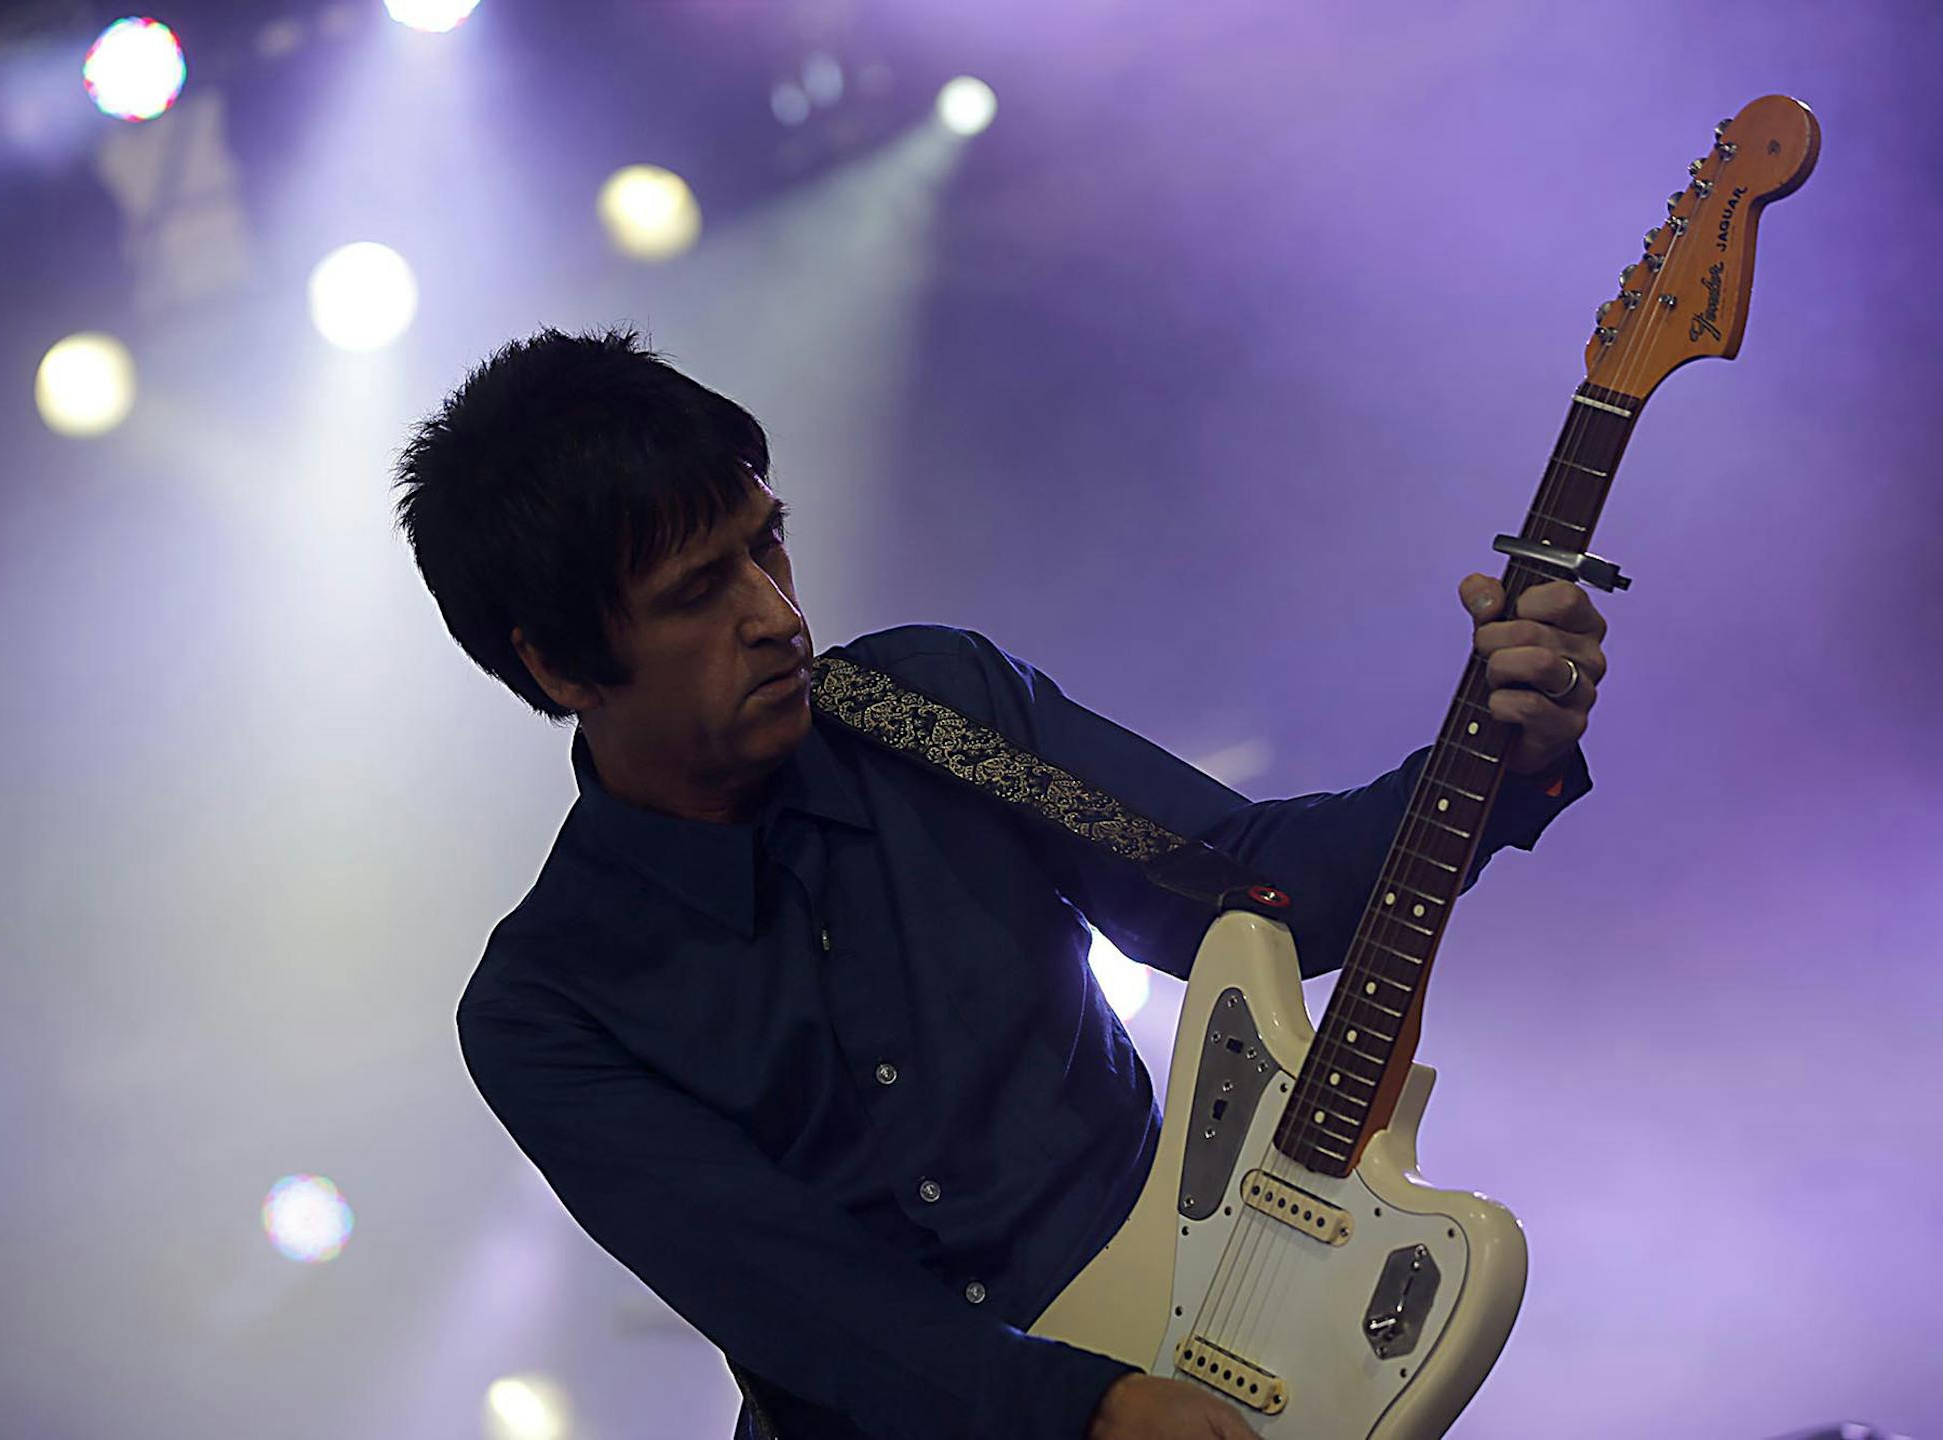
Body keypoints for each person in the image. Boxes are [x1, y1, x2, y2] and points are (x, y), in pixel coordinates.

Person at [393, 327, 1605, 1440]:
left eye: (766, 541)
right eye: (697, 592)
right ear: (558, 666)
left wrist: (1494, 757)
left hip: (1205, 1360)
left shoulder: (932, 708)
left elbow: (1248, 896)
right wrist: (1087, 1408)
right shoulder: (547, 1006)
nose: (772, 614)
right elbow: (802, 1304)